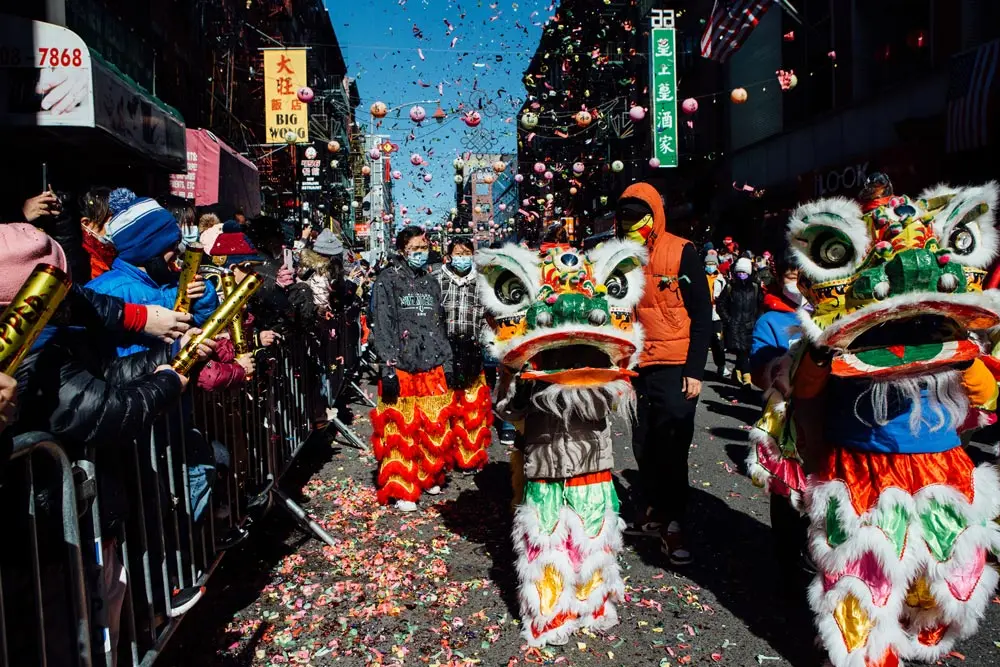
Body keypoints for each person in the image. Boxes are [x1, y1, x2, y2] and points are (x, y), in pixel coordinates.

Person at [616, 182, 712, 565]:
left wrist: (694, 370)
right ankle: (655, 512)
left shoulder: (681, 250)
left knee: (673, 444)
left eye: (637, 217)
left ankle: (675, 523)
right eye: (625, 218)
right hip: (636, 366)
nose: (630, 225)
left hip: (675, 365)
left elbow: (702, 315)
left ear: (654, 215)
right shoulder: (618, 255)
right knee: (643, 443)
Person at [369, 225, 454, 511]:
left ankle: (428, 475)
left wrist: (447, 358)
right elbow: (382, 323)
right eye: (416, 248)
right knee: (401, 429)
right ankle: (403, 486)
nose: (421, 253)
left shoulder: (431, 282)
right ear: (403, 249)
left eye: (424, 247)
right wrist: (388, 364)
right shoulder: (387, 280)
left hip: (431, 361)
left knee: (433, 425)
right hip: (402, 364)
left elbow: (439, 322)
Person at [87, 194, 218, 355]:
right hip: (130, 377)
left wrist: (203, 298)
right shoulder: (105, 290)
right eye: (172, 245)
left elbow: (199, 325)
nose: (178, 250)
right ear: (148, 249)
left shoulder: (173, 282)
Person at [435, 237, 491, 471]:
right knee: (444, 404)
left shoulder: (482, 282)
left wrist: (486, 340)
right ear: (449, 256)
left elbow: (489, 316)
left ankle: (468, 453)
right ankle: (444, 453)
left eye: (467, 253)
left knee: (470, 405)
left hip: (472, 349)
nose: (462, 257)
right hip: (443, 349)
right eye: (458, 253)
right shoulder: (436, 280)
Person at [716, 257, 761, 387]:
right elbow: (720, 305)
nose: (742, 275)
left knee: (745, 352)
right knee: (742, 352)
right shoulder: (730, 287)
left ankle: (737, 373)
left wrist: (757, 320)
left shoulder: (755, 288)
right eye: (739, 272)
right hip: (734, 326)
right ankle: (747, 378)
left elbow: (760, 305)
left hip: (750, 326)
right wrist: (728, 319)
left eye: (744, 272)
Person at [704, 250, 728, 378]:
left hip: (717, 314)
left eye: (712, 263)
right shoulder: (701, 277)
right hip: (704, 312)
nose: (710, 266)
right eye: (708, 263)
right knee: (703, 340)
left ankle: (721, 365)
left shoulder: (721, 280)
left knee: (718, 341)